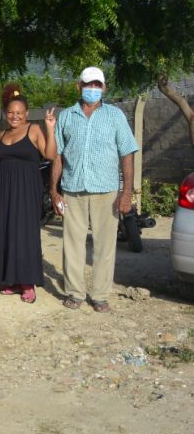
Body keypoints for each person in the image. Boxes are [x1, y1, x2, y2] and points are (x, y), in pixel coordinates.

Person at [51, 67, 138, 312]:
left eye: (97, 85)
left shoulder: (115, 116)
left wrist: (126, 192)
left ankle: (99, 295)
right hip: (72, 188)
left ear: (104, 87)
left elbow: (127, 154)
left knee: (104, 244)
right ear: (79, 86)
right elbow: (57, 155)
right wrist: (54, 191)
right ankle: (75, 292)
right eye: (88, 84)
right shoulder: (67, 116)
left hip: (106, 190)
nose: (93, 89)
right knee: (73, 243)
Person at [0, 86, 58, 304]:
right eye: (10, 112)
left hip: (26, 190)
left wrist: (50, 128)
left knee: (24, 234)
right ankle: (10, 280)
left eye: (19, 112)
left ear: (26, 114)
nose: (14, 116)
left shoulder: (33, 129)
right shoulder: (1, 135)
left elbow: (51, 154)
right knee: (5, 231)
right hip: (4, 190)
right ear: (5, 114)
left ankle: (27, 283)